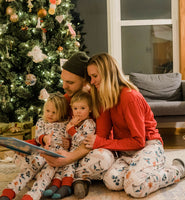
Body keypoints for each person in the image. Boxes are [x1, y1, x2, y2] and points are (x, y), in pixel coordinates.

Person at [83, 52, 185, 198]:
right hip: (127, 152)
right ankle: (142, 170)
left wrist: (101, 142)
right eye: (90, 77)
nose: (92, 81)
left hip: (148, 145)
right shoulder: (104, 98)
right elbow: (102, 135)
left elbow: (138, 141)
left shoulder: (129, 97)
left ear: (108, 73)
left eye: (95, 76)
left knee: (135, 187)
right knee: (111, 182)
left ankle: (178, 169)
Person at [42, 51, 115, 199]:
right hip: (69, 148)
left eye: (70, 82)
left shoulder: (100, 100)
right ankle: (76, 177)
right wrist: (45, 142)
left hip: (93, 149)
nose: (64, 86)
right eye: (63, 80)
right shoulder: (66, 99)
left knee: (103, 158)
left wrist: (69, 158)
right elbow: (52, 125)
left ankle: (76, 178)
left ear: (86, 81)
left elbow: (99, 139)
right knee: (27, 156)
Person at [0, 92, 70, 200]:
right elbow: (37, 137)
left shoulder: (66, 124)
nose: (49, 114)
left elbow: (71, 139)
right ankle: (9, 191)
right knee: (28, 170)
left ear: (62, 113)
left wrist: (68, 142)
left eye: (54, 112)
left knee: (45, 177)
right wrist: (44, 138)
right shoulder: (42, 122)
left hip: (55, 158)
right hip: (41, 153)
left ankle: (32, 196)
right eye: (47, 111)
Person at [43, 90, 96, 199]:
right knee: (60, 165)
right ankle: (55, 184)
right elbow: (69, 138)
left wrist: (72, 130)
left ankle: (66, 186)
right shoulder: (72, 122)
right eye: (75, 108)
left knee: (69, 166)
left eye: (82, 108)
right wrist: (68, 141)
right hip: (71, 151)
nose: (78, 112)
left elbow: (84, 142)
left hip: (81, 155)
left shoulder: (89, 123)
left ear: (90, 109)